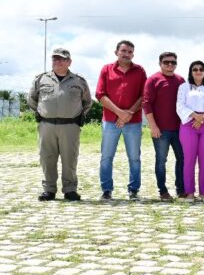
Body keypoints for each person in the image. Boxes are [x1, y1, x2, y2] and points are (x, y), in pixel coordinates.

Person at [28, 48, 93, 201]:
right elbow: (32, 99)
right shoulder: (41, 79)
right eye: (55, 59)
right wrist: (40, 112)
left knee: (69, 158)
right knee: (47, 158)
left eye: (61, 59)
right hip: (47, 125)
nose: (57, 61)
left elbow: (87, 102)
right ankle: (49, 190)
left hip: (70, 126)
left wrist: (79, 116)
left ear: (69, 62)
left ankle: (70, 189)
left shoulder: (79, 81)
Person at [96, 40, 147, 201]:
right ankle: (106, 190)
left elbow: (144, 95)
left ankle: (133, 190)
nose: (126, 54)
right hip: (110, 121)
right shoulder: (106, 69)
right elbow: (100, 94)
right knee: (106, 156)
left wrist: (129, 113)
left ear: (133, 54)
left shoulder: (140, 71)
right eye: (123, 51)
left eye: (130, 52)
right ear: (116, 52)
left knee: (134, 157)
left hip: (134, 121)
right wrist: (120, 113)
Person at [143, 52, 185, 201]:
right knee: (161, 160)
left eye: (173, 62)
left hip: (180, 129)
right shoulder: (153, 80)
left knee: (182, 159)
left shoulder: (181, 80)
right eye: (166, 62)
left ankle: (181, 189)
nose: (170, 65)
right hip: (160, 130)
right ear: (160, 63)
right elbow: (146, 104)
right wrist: (153, 126)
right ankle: (163, 191)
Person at [177, 61, 204, 203]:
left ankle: (203, 193)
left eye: (201, 69)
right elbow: (180, 105)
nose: (198, 71)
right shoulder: (184, 87)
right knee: (189, 160)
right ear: (191, 71)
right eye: (195, 69)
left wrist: (203, 117)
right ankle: (189, 193)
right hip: (189, 124)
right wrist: (195, 116)